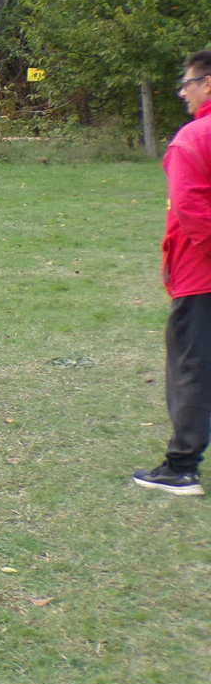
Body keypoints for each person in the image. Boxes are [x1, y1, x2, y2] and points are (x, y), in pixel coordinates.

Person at [134, 48, 211, 495]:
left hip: (201, 277)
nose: (183, 92)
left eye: (187, 83)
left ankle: (182, 467)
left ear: (208, 84)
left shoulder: (193, 138)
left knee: (192, 367)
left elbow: (191, 209)